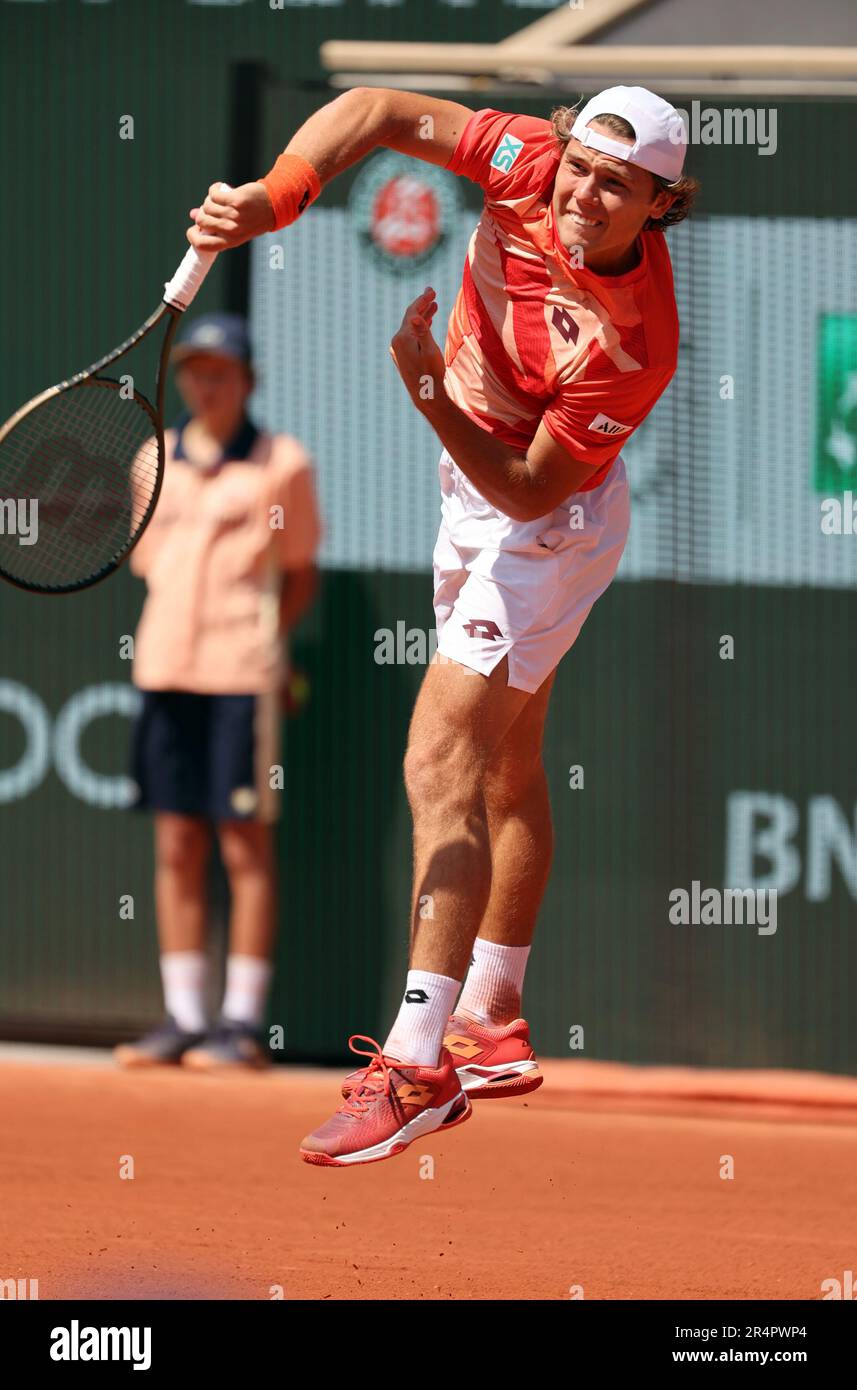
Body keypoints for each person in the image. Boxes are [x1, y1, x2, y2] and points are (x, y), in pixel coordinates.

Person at [187, 85, 698, 1160]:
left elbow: (526, 490)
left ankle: (419, 1061)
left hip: (543, 525)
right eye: (578, 165)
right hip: (474, 496)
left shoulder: (632, 339)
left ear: (658, 203)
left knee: (440, 756)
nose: (583, 192)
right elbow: (371, 108)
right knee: (508, 768)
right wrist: (274, 199)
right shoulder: (520, 157)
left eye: (617, 183)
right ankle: (493, 1017)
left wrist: (427, 391)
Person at [114, 313, 321, 1072]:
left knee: (242, 843)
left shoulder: (282, 464)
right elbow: (145, 564)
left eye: (221, 371)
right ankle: (183, 1016)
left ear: (248, 381)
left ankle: (239, 1025)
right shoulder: (152, 458)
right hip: (164, 668)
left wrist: (267, 643)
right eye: (195, 370)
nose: (206, 383)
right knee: (175, 842)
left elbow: (299, 572)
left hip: (240, 675)